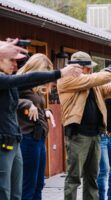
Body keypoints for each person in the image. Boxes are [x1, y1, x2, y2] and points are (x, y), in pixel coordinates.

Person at [0, 42, 81, 200]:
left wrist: (45, 110)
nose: (16, 65)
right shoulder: (3, 80)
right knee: (5, 189)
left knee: (19, 191)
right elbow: (29, 78)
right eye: (11, 60)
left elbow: (31, 80)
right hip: (6, 141)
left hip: (15, 139)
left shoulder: (10, 81)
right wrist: (59, 73)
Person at [57, 51, 111, 200]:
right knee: (73, 178)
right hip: (78, 134)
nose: (90, 71)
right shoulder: (66, 80)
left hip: (95, 134)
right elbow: (92, 79)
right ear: (76, 68)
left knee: (92, 176)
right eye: (87, 68)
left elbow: (108, 90)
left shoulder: (91, 83)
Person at [16, 54, 58, 200]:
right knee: (28, 184)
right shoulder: (20, 81)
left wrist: (47, 111)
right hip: (27, 138)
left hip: (39, 138)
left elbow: (38, 106)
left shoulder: (35, 87)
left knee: (39, 183)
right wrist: (26, 104)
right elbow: (9, 99)